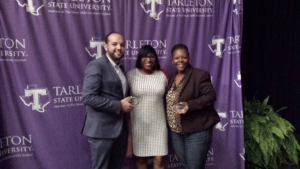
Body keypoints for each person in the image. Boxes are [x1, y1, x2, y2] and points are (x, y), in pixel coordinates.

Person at [81, 32, 135, 169]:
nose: (119, 47)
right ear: (105, 47)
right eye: (114, 44)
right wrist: (119, 105)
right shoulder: (96, 65)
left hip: (119, 131)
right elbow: (88, 97)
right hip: (101, 132)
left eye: (122, 45)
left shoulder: (121, 69)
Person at [166, 44, 220, 169]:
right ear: (172, 60)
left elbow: (211, 96)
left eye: (184, 57)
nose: (180, 61)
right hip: (176, 131)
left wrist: (189, 105)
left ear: (189, 58)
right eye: (177, 58)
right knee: (185, 165)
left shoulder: (199, 75)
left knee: (194, 167)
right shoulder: (173, 77)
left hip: (197, 130)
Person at [126, 45, 168, 169]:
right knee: (141, 159)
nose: (148, 60)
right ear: (140, 58)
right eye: (145, 56)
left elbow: (171, 99)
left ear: (155, 59)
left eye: (151, 56)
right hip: (139, 124)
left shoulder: (163, 75)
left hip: (159, 124)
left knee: (159, 160)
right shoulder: (130, 76)